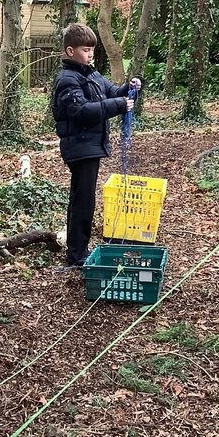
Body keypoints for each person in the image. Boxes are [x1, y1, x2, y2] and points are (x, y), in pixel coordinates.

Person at [52, 23, 142, 267]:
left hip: (91, 145)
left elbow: (111, 90)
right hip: (80, 148)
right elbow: (80, 111)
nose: (90, 54)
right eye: (85, 50)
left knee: (83, 197)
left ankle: (77, 250)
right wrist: (120, 105)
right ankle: (77, 255)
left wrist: (129, 87)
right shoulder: (67, 79)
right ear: (70, 51)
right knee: (83, 200)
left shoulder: (90, 73)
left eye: (92, 50)